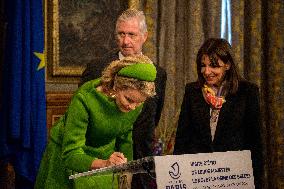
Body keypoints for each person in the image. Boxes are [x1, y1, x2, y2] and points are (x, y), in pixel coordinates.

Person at [35, 55, 157, 189]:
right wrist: (105, 164)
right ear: (116, 85)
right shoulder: (85, 98)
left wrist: (125, 175)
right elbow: (70, 155)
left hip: (105, 159)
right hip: (67, 159)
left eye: (139, 102)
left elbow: (124, 135)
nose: (133, 107)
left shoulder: (135, 100)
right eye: (129, 100)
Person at [81, 9, 167, 188]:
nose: (126, 41)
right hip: (105, 161)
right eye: (121, 34)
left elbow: (153, 117)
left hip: (141, 164)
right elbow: (83, 116)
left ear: (144, 36)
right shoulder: (96, 68)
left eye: (132, 35)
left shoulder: (158, 74)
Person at [173, 38, 263, 189]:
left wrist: (257, 183)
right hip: (198, 176)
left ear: (227, 65)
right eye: (203, 66)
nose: (206, 72)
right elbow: (182, 140)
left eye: (213, 66)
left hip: (233, 176)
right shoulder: (192, 91)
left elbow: (255, 143)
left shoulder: (247, 92)